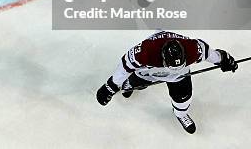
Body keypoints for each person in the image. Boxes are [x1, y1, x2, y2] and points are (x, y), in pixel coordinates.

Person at [96, 30, 238, 134]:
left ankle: (181, 114)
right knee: (134, 82)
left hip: (179, 76)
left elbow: (212, 54)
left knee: (183, 96)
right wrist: (110, 86)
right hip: (150, 71)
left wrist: (224, 60)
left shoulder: (193, 49)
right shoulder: (145, 52)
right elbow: (124, 66)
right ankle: (129, 85)